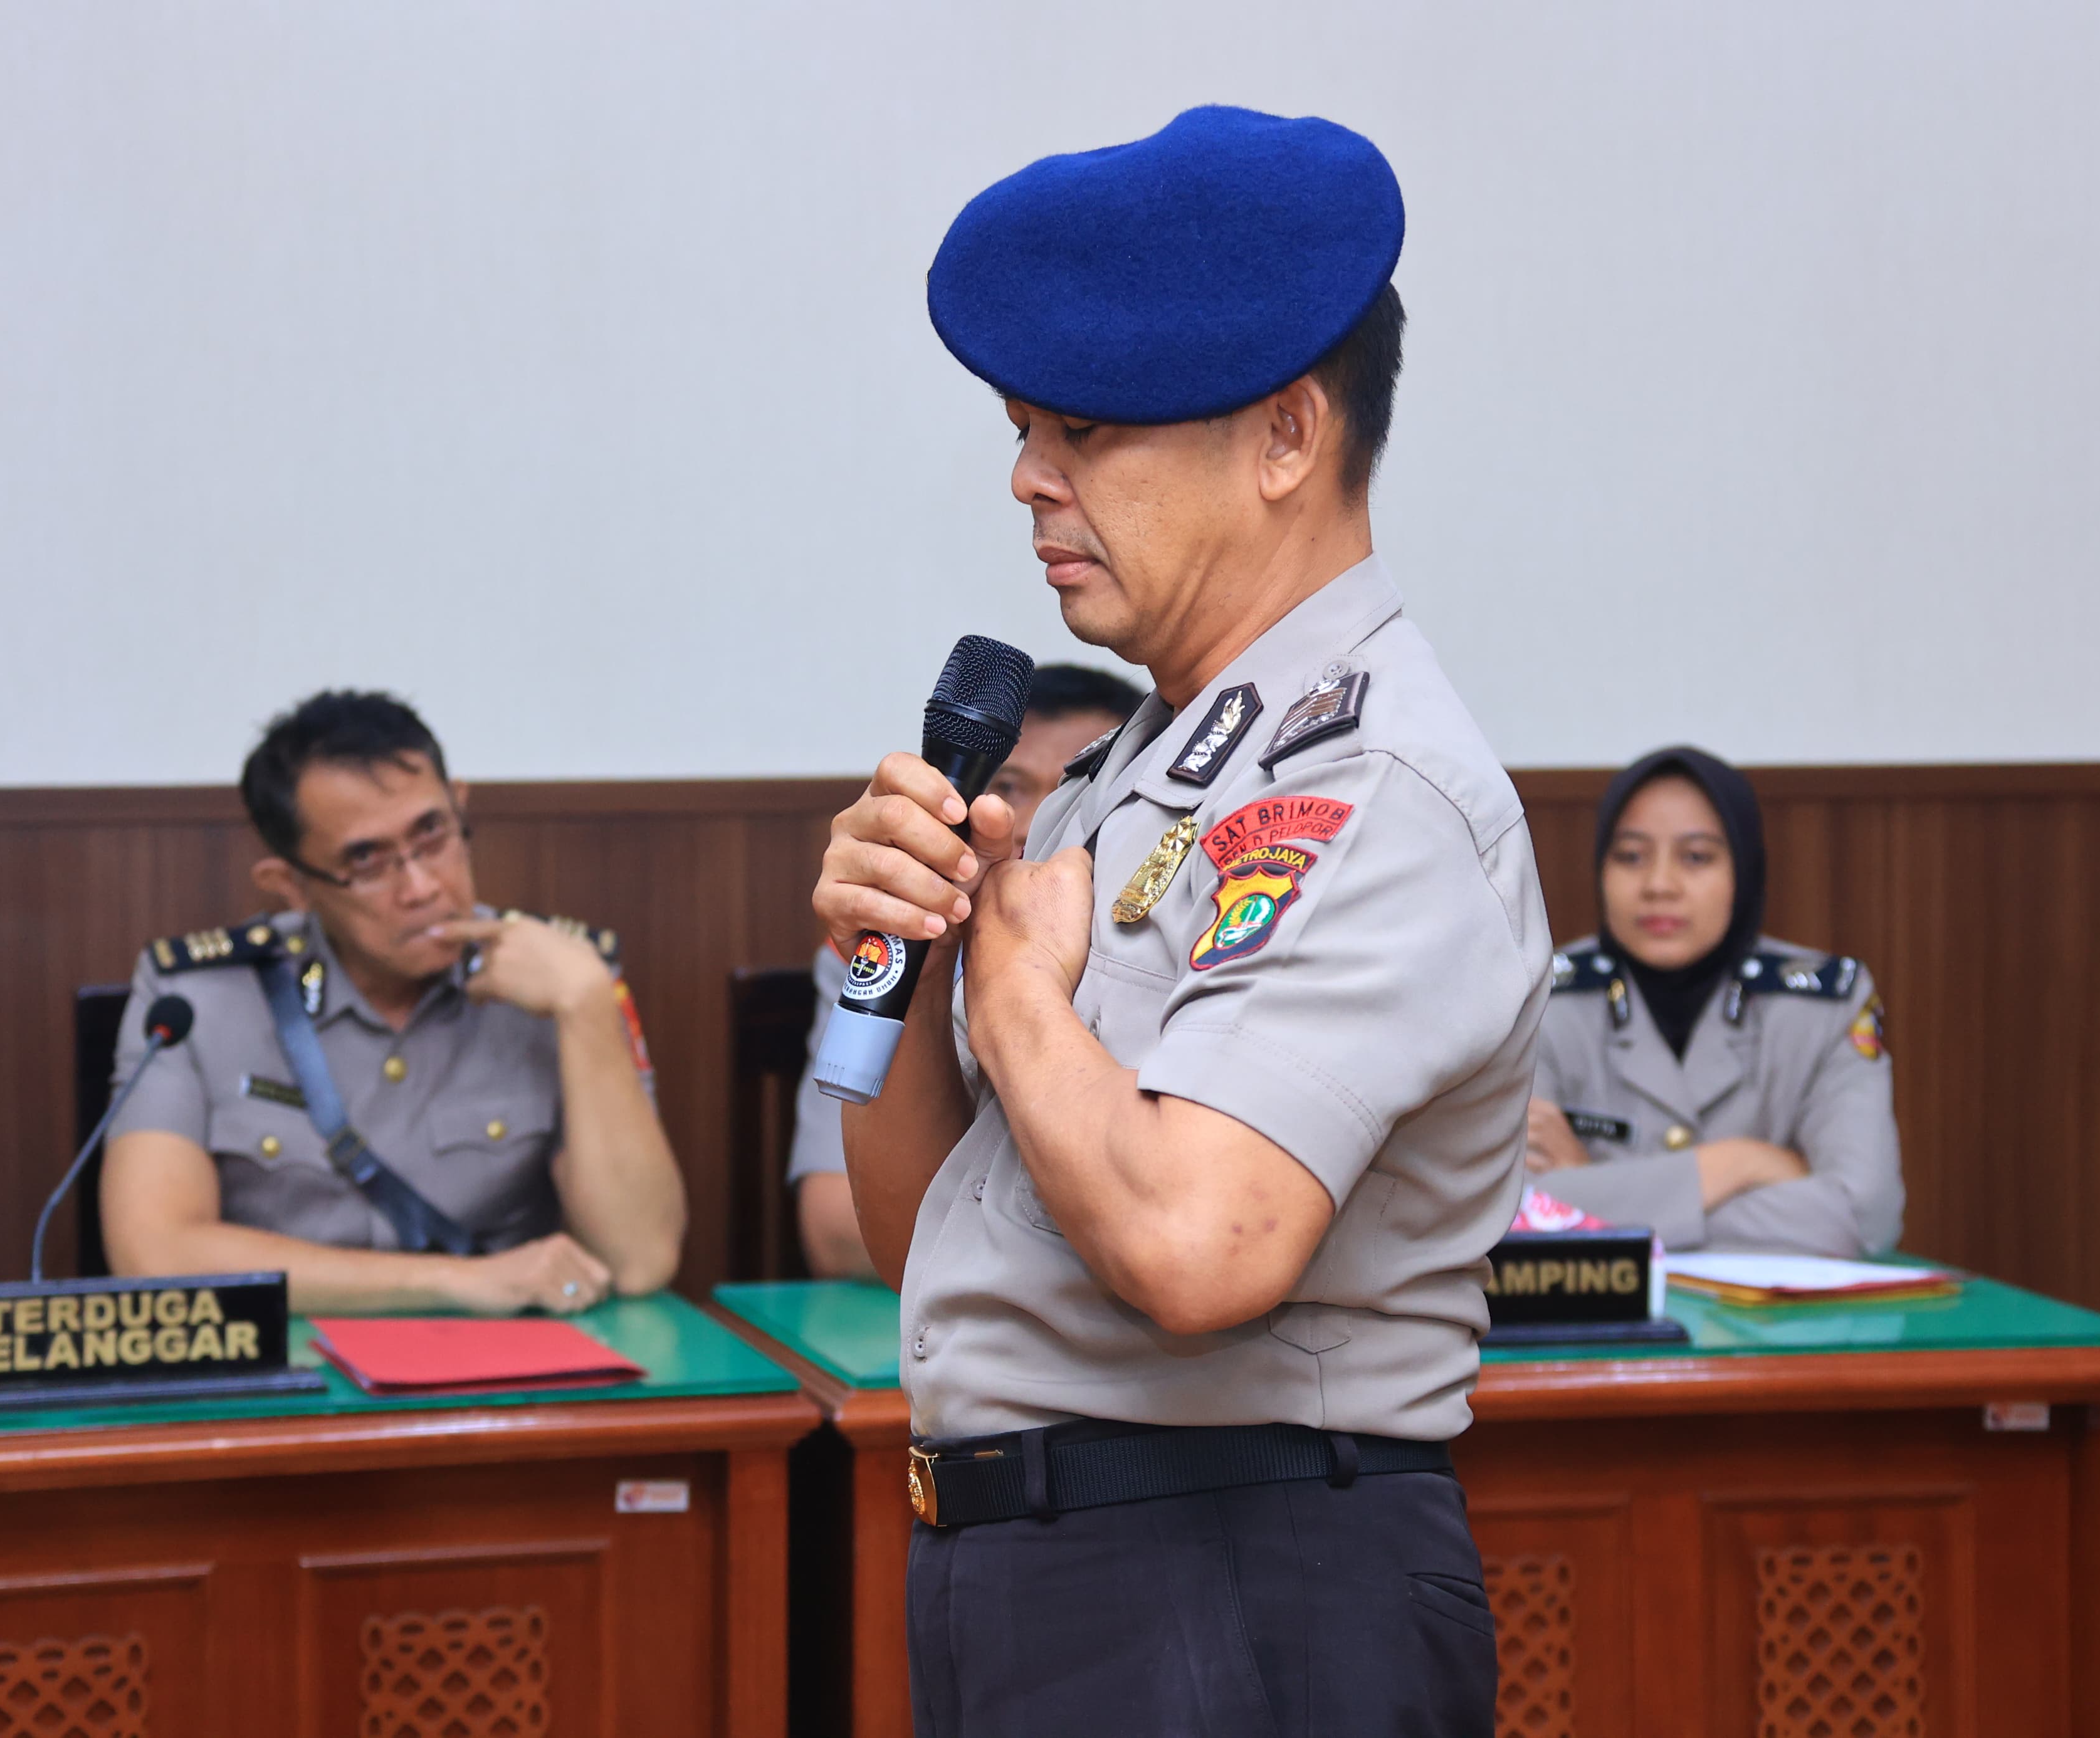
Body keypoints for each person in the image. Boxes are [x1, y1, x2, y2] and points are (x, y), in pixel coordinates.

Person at [812, 107, 1546, 1735]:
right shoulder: (1142, 771)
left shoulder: (1373, 787)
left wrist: (1013, 1003)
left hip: (1237, 1572)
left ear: (1286, 433)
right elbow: (920, 1233)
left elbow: (1197, 1245)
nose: (1028, 478)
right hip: (1047, 1563)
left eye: (1083, 428)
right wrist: (891, 949)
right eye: (1023, 427)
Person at [99, 690, 687, 1315]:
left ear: (460, 808)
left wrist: (586, 1004)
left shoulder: (561, 979)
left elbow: (639, 1259)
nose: (421, 886)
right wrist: (455, 1281)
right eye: (367, 860)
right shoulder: (197, 997)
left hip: (505, 1388)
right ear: (292, 885)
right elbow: (154, 1253)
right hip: (288, 1382)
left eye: (432, 835)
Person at [790, 664, 1141, 1279]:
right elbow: (833, 1230)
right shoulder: (894, 935)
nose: (1035, 821)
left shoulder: (1150, 940)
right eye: (1009, 787)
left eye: (1074, 794)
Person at [1525, 745, 1904, 1255]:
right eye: (1631, 856)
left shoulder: (1827, 1005)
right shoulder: (1541, 1000)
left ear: (1743, 869)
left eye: (1696, 856)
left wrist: (1592, 1192)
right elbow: (1512, 1214)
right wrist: (1740, 1163)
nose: (1659, 885)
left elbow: (1865, 1216)